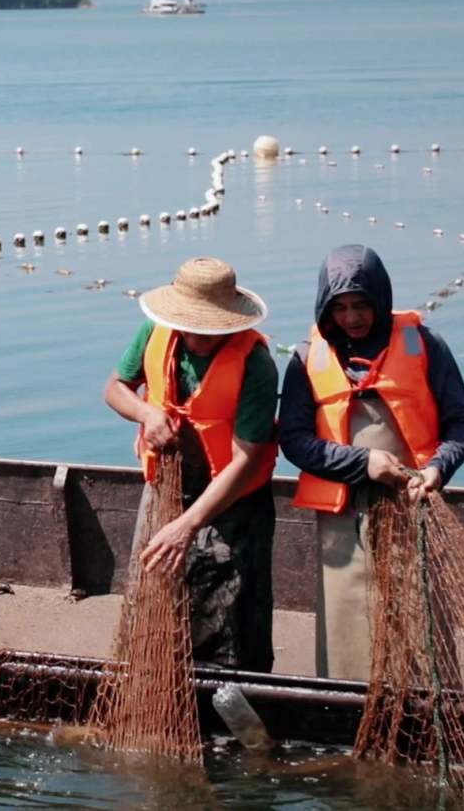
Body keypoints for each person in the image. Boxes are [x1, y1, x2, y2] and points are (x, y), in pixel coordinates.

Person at [279, 244, 464, 681]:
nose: (352, 317)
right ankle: (354, 715)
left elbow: (462, 425)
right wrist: (362, 462)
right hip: (343, 521)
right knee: (348, 628)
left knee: (419, 619)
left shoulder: (424, 345)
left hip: (412, 507)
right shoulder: (305, 358)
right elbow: (293, 440)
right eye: (341, 307)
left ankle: (425, 711)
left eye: (362, 305)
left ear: (381, 301)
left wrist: (437, 468)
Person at [103, 256, 278, 672]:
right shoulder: (154, 332)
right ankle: (163, 689)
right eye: (192, 325)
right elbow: (115, 388)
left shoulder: (256, 364)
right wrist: (146, 415)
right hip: (165, 488)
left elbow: (246, 458)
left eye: (209, 328)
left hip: (234, 502)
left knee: (229, 620)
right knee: (155, 599)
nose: (199, 337)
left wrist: (188, 525)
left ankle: (239, 710)